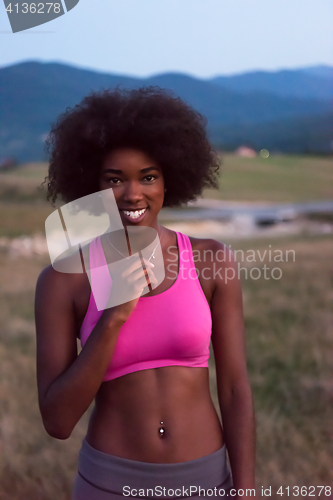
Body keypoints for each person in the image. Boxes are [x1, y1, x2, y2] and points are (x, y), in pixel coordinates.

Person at [35, 87, 256, 500]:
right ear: (92, 186)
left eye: (148, 177)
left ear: (171, 178)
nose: (133, 194)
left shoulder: (211, 260)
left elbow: (235, 388)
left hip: (206, 480)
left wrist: (245, 489)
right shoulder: (63, 280)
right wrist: (113, 317)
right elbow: (57, 421)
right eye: (114, 179)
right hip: (108, 484)